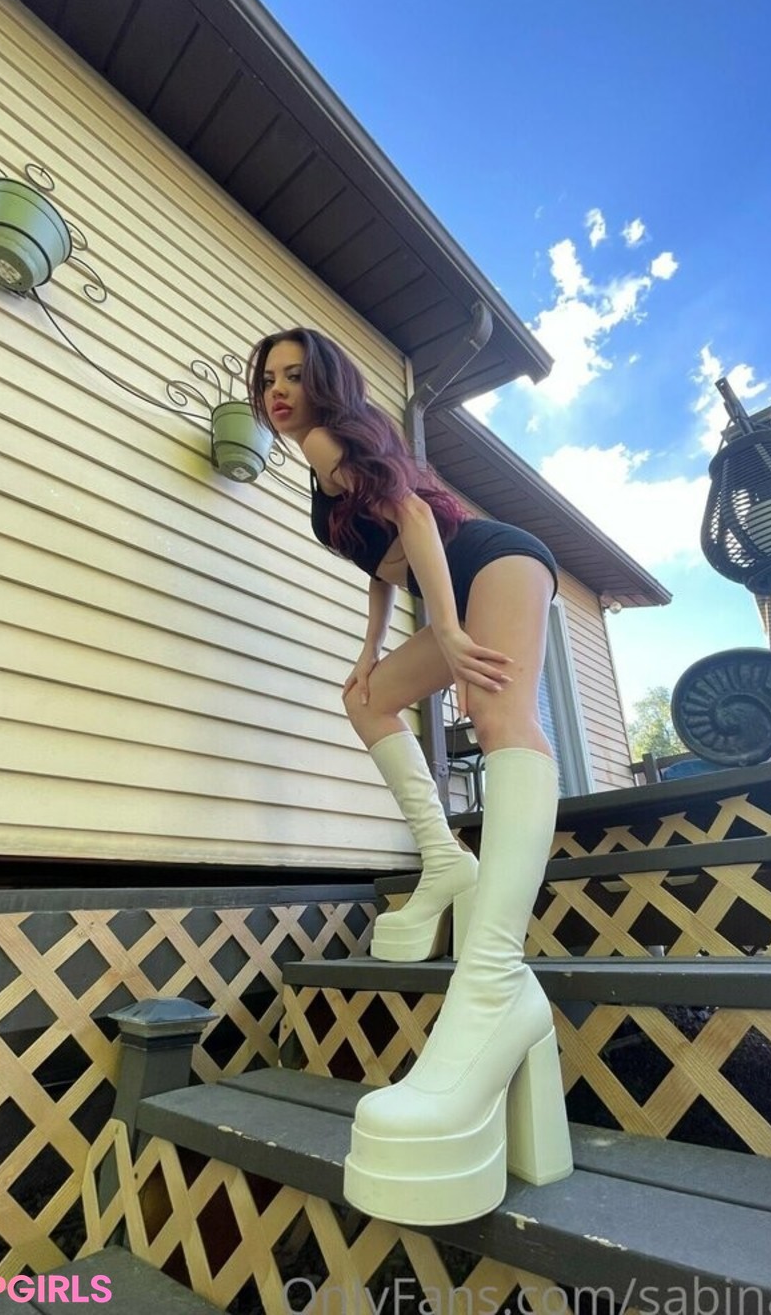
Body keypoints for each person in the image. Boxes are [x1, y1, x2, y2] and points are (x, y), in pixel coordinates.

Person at [247, 328, 572, 1226]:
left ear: (324, 382)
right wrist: (370, 649)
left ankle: (494, 975)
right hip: (451, 584)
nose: (277, 391)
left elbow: (422, 524)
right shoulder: (323, 464)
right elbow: (383, 560)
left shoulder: (330, 439)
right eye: (266, 379)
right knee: (366, 700)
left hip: (494, 560)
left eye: (292, 375)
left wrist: (453, 631)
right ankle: (446, 860)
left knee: (500, 716)